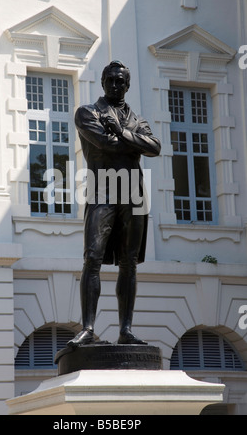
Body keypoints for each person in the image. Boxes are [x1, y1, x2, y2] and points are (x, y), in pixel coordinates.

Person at [68, 61, 161, 346]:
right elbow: (105, 144)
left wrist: (120, 131)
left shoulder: (135, 118)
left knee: (129, 263)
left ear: (127, 85)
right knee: (93, 258)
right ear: (103, 82)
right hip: (103, 190)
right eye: (111, 80)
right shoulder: (87, 113)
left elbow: (155, 147)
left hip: (133, 193)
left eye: (121, 81)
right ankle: (87, 328)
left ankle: (126, 329)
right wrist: (134, 142)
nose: (115, 85)